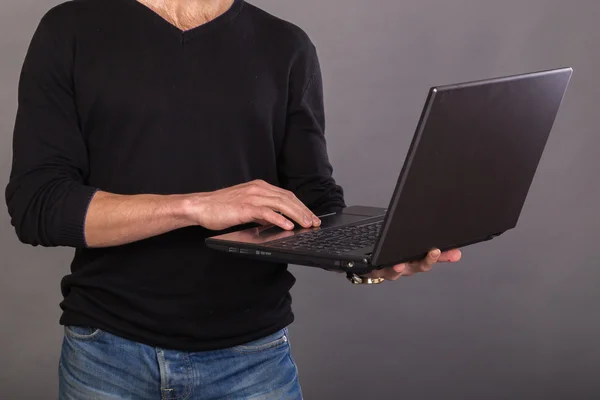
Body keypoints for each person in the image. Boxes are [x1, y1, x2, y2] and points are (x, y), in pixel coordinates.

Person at [5, 0, 462, 398]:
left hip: (252, 359)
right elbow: (39, 206)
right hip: (106, 354)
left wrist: (368, 257)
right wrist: (195, 206)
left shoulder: (286, 45)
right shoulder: (70, 30)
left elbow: (312, 197)